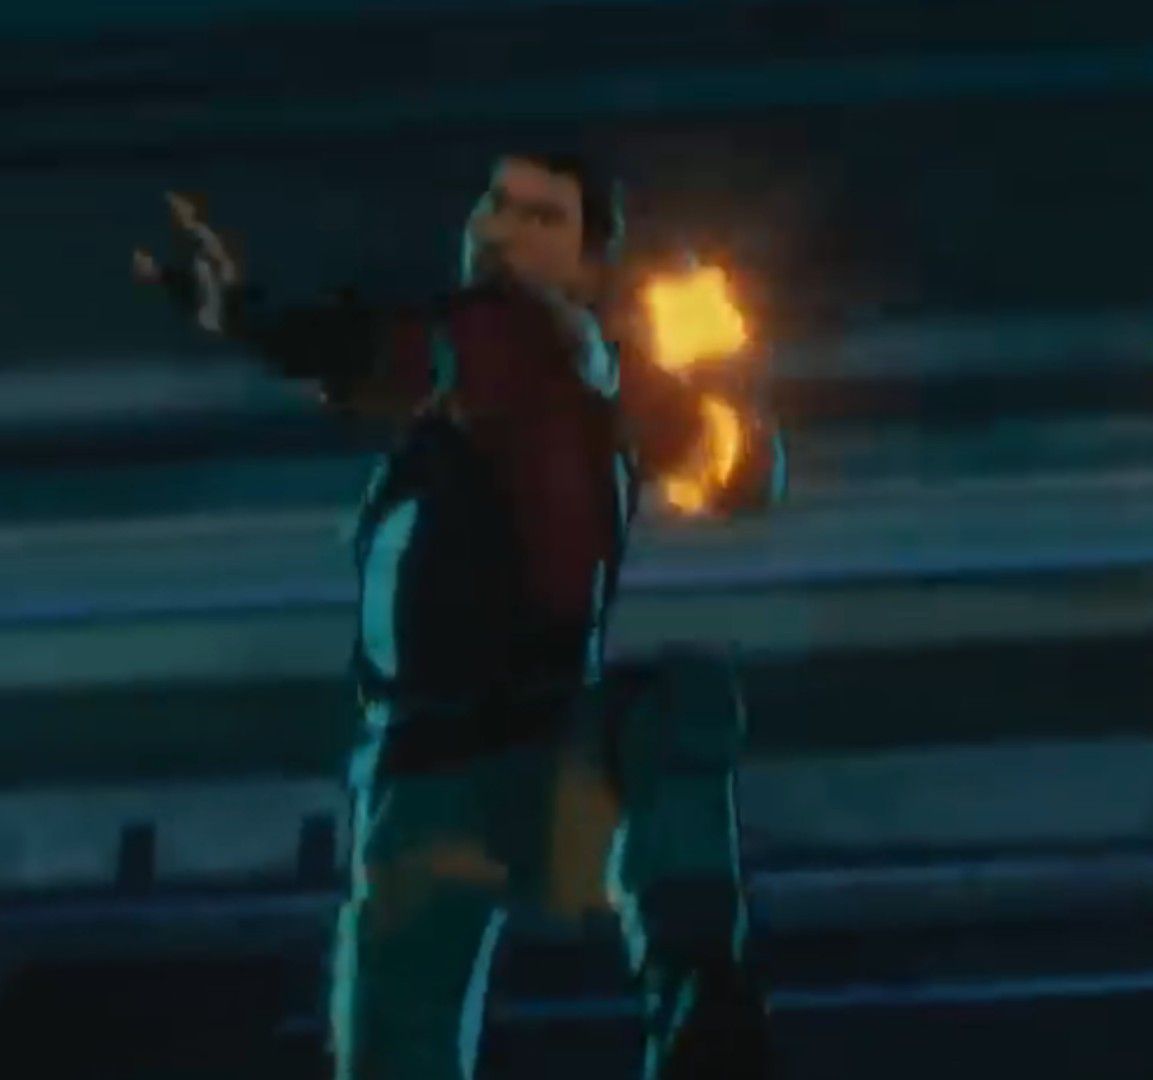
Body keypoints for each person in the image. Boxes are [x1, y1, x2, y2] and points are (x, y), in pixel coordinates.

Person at [134, 152, 784, 1079]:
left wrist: (697, 391)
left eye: (541, 217)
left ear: (588, 263)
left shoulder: (562, 362)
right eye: (497, 204)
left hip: (537, 753)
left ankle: (705, 1021)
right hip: (418, 776)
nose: (502, 229)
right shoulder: (487, 353)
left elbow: (747, 474)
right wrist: (247, 315)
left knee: (679, 703)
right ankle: (705, 1018)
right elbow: (382, 353)